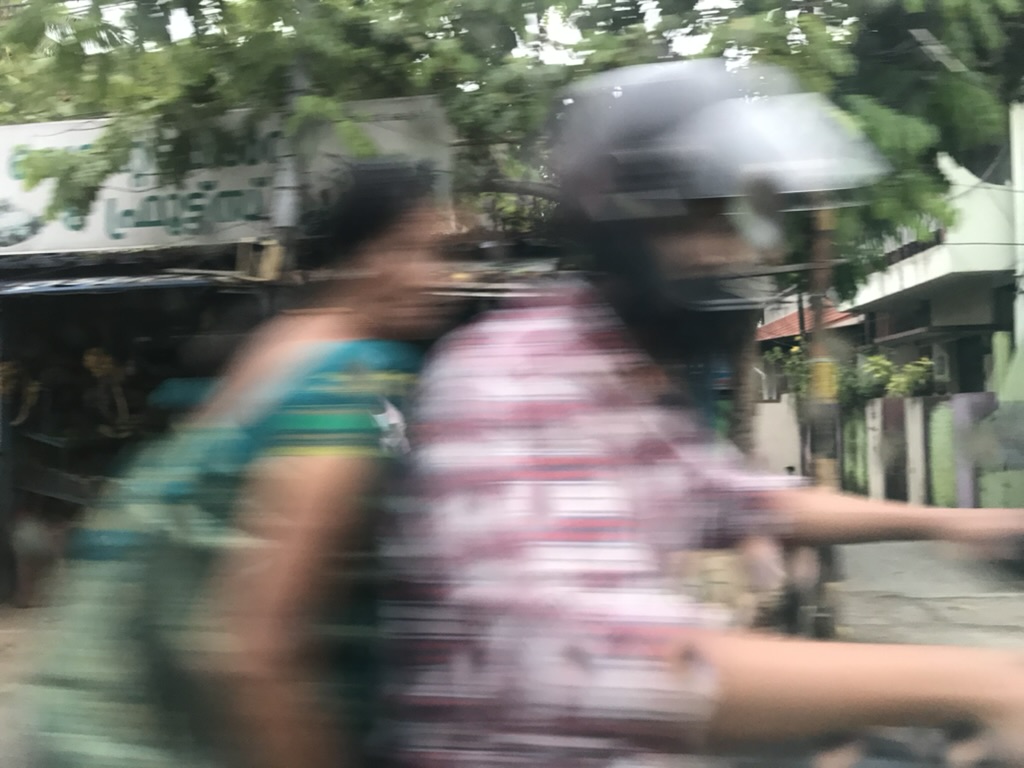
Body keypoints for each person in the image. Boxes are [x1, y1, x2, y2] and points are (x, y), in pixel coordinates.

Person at [377, 59, 1024, 768]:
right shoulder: (514, 377)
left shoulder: (619, 375)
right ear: (632, 215)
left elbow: (738, 499)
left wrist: (948, 521)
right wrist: (986, 682)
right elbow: (602, 666)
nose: (753, 247)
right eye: (720, 217)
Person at [20, 158, 452, 768]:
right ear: (366, 257)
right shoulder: (349, 386)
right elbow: (255, 650)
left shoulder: (284, 345)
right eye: (420, 251)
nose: (444, 276)